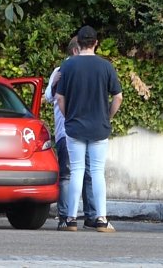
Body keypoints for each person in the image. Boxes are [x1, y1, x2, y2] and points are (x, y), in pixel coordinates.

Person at [55, 25, 123, 232]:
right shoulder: (106, 67)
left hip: (75, 127)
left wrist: (69, 117)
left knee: (76, 171)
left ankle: (70, 219)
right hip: (99, 127)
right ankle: (101, 218)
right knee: (97, 172)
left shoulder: (68, 66)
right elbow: (118, 97)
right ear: (95, 43)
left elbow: (59, 98)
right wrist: (107, 116)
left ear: (79, 44)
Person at [44, 37, 97, 231]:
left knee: (88, 174)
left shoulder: (85, 70)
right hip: (67, 132)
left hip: (81, 130)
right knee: (69, 174)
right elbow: (50, 97)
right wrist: (53, 83)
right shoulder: (60, 71)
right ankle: (65, 216)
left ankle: (89, 216)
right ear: (76, 51)